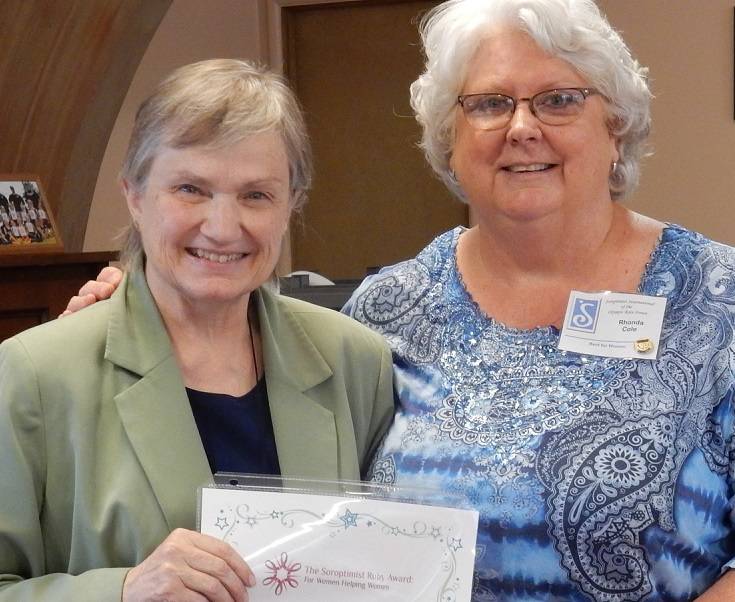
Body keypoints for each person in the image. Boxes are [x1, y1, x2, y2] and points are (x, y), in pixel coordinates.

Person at [61, 1, 735, 600]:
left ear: (615, 123)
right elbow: (262, 438)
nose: (522, 128)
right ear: (450, 135)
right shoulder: (388, 310)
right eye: (489, 103)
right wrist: (139, 310)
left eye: (559, 100)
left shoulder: (717, 300)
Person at [0, 59, 394, 601]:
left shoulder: (355, 360)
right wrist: (122, 591)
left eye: (256, 195)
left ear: (290, 206)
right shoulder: (33, 374)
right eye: (190, 188)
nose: (222, 227)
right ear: (135, 196)